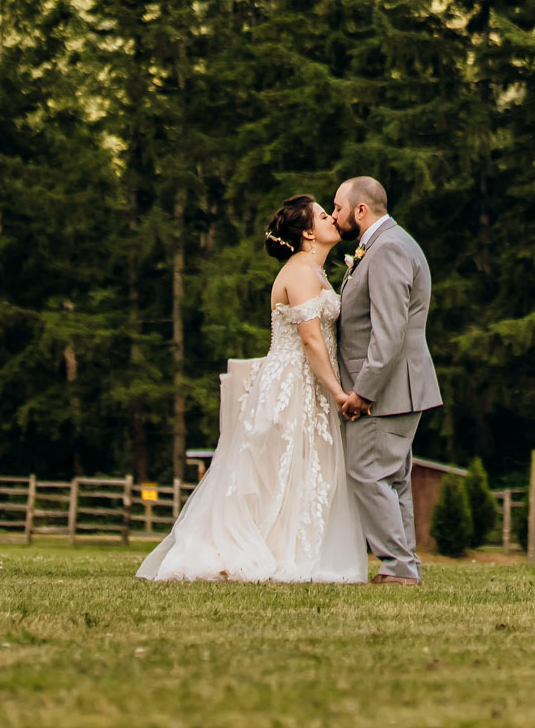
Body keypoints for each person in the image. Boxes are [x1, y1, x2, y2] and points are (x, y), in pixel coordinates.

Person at [135, 194, 367, 584]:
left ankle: (294, 547)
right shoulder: (299, 272)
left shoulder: (317, 271)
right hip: (292, 382)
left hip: (311, 383)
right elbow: (311, 340)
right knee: (278, 468)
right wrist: (339, 392)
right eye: (324, 215)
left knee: (307, 468)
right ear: (309, 232)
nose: (332, 219)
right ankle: (255, 552)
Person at [330, 174, 441, 587]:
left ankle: (397, 567)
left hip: (385, 390)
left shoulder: (389, 249)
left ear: (361, 210)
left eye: (338, 208)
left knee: (367, 473)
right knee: (392, 479)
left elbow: (389, 331)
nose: (335, 215)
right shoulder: (382, 245)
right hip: (397, 388)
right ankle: (403, 567)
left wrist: (364, 392)